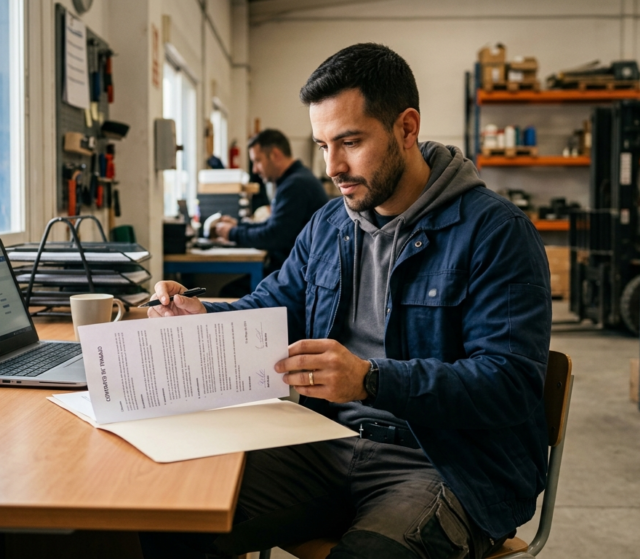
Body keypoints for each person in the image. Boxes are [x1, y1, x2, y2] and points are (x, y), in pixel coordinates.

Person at [141, 43, 551, 559]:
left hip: (444, 464)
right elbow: (275, 307)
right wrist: (203, 313)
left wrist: (370, 379)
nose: (333, 166)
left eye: (350, 142)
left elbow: (509, 385)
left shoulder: (496, 233)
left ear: (406, 128)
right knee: (167, 516)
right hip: (324, 443)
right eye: (322, 144)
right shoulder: (330, 226)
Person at [210, 129, 329, 275]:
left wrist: (232, 233)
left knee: (227, 291)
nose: (255, 170)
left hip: (296, 275)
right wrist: (238, 225)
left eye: (257, 161)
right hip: (293, 268)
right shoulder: (295, 179)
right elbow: (273, 224)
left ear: (275, 155)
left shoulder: (295, 185)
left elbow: (273, 236)